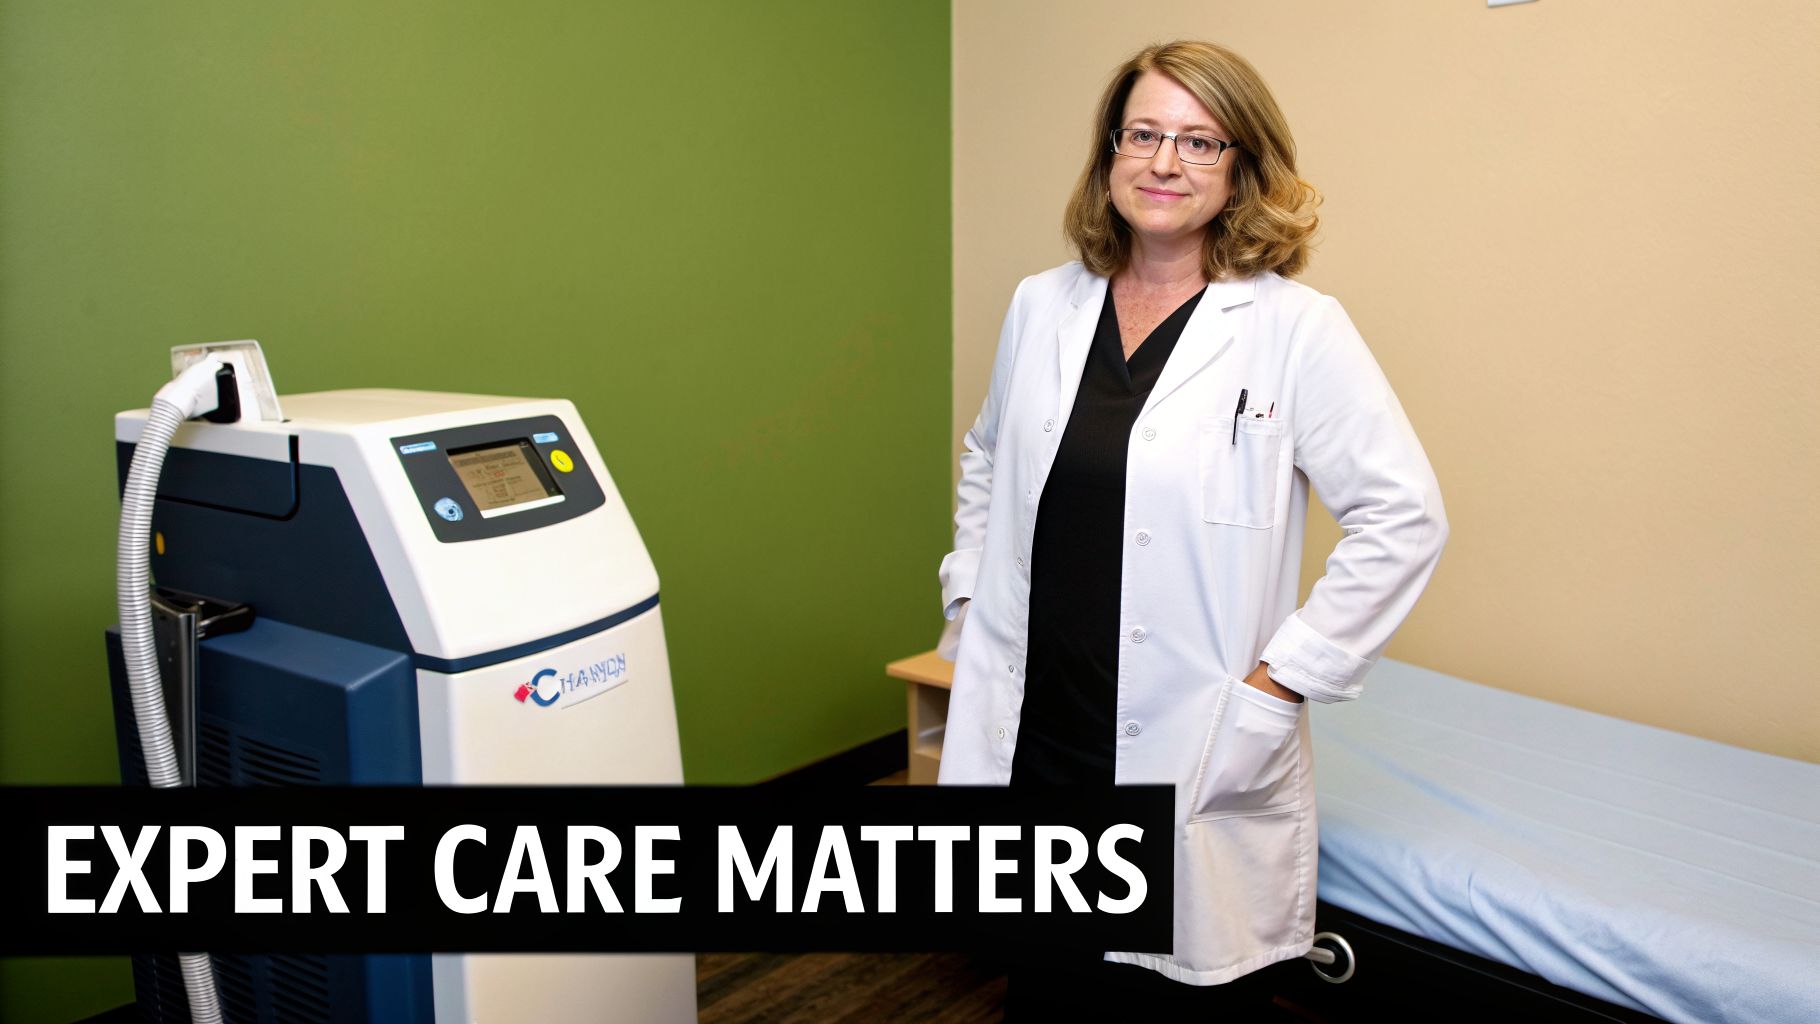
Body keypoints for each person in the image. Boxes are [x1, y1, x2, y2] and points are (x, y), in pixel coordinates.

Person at [936, 40, 1449, 1014]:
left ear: (1240, 167)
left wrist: (1279, 677)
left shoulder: (1294, 327)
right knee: (1043, 988)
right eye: (1142, 133)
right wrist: (965, 590)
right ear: (1108, 152)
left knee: (1166, 998)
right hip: (1032, 726)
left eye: (1198, 142)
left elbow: (1403, 516)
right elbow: (989, 455)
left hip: (1185, 734)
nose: (1164, 162)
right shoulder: (1040, 304)